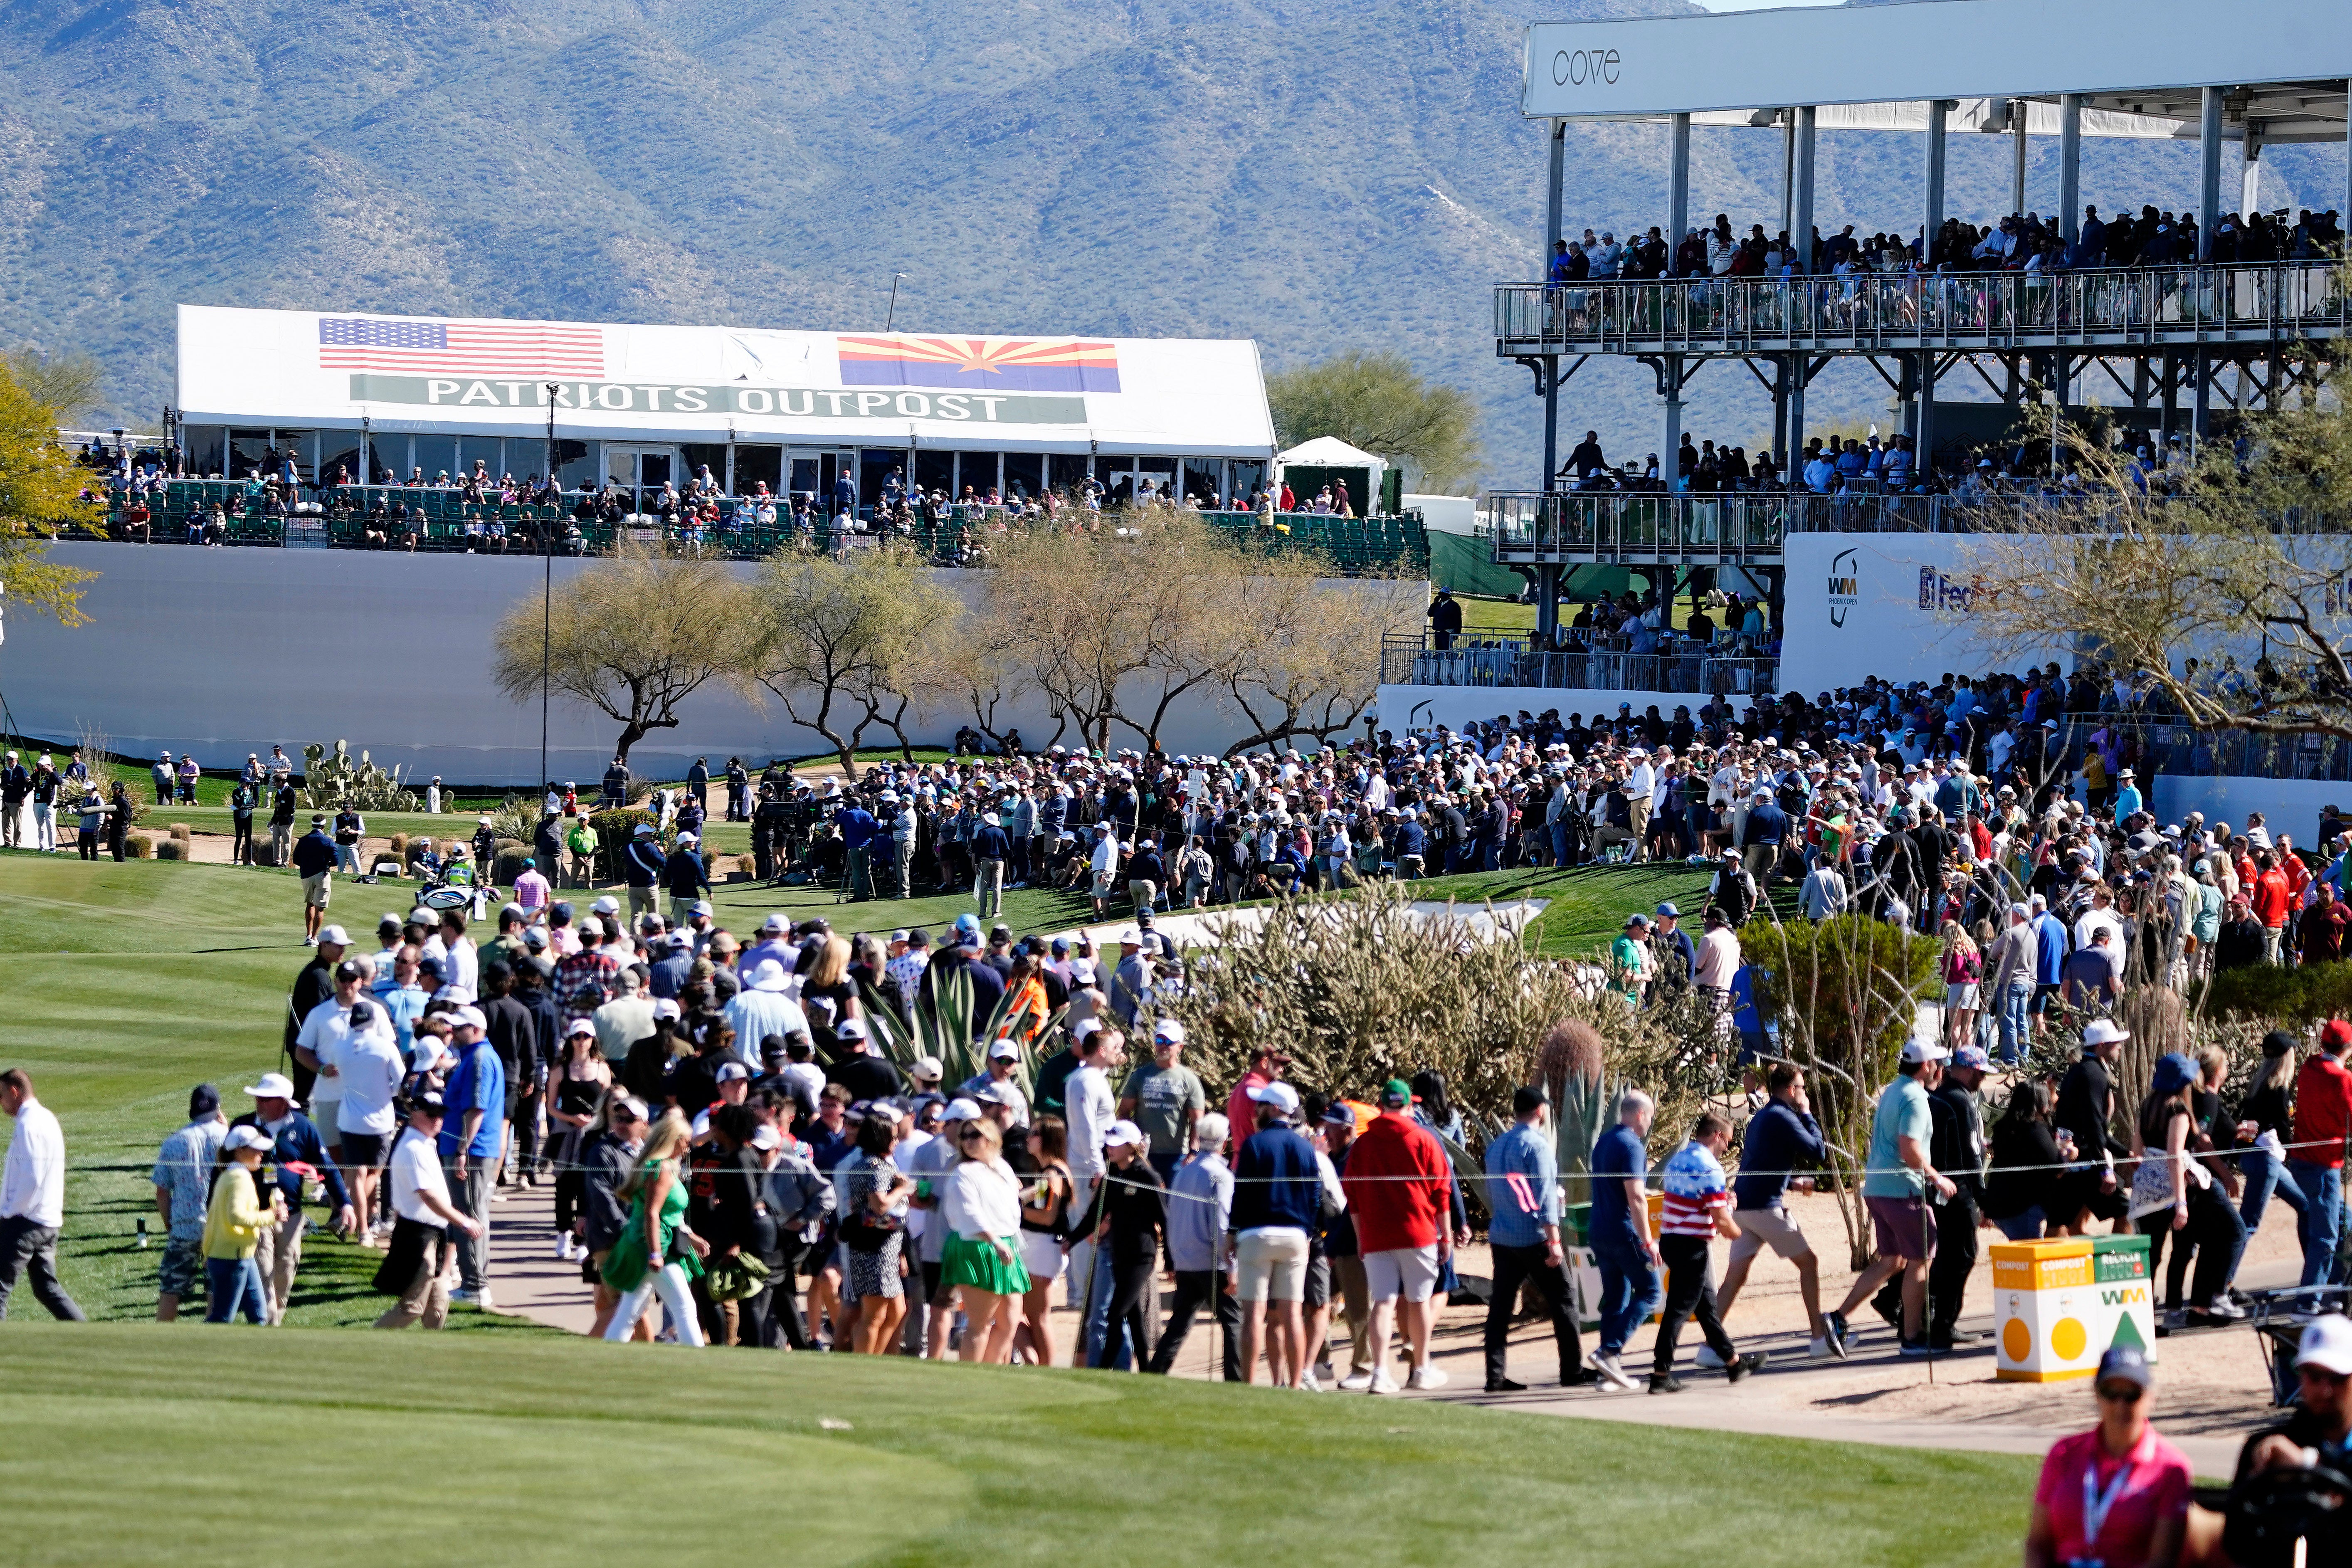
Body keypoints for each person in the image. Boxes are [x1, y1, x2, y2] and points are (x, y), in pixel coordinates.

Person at [1824, 1037, 1954, 1356]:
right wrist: (1937, 1178)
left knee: (1893, 1260)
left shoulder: (1894, 1089)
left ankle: (1837, 1318)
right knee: (1921, 1259)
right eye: (1937, 1062)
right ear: (1926, 1066)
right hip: (1903, 1189)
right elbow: (1909, 1148)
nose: (1940, 1068)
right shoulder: (1915, 1098)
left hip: (1878, 1188)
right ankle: (1912, 1337)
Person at [2023, 1346, 2191, 1568]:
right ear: (2097, 1395)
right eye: (2110, 1393)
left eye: (2132, 1394)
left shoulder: (2170, 1468)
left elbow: (2162, 1561)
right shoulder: (2063, 1454)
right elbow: (2037, 1543)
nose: (2120, 1404)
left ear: (2151, 1397)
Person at [1715, 1062, 1838, 1358]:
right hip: (1765, 1210)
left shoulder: (1763, 1116)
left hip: (1744, 1207)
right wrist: (1807, 1113)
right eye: (1802, 1088)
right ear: (1791, 1090)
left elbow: (1763, 1162)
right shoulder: (1784, 1116)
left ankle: (1710, 1346)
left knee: (1734, 1278)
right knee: (1809, 1263)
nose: (1804, 1093)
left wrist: (1792, 1183)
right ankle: (1819, 1339)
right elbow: (1818, 1151)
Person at [1342, 1077, 1455, 1394]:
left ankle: (1380, 1373)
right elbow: (1441, 1192)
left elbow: (1352, 1196)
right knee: (1419, 1301)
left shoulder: (1363, 1143)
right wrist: (1446, 1237)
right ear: (1408, 1105)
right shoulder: (1424, 1139)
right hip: (1418, 1233)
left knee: (1383, 1302)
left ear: (1381, 1105)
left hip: (1376, 1235)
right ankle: (1421, 1368)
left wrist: (1361, 1237)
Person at [1480, 1084, 1592, 1393]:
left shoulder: (1497, 1146)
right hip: (1534, 1236)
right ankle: (1572, 1370)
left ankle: (1495, 1375)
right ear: (1541, 1111)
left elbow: (1491, 1190)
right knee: (1564, 1298)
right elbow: (1545, 1194)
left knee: (1501, 1306)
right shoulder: (1537, 1146)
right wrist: (1554, 1240)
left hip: (1503, 1235)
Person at [2131, 1051, 2248, 1326]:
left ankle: (2147, 1318)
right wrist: (2181, 1202)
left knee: (2151, 1256)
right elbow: (2175, 1155)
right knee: (2221, 1235)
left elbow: (2136, 1152)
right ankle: (2210, 1298)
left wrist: (2150, 1176)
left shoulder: (2147, 1105)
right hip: (2181, 1187)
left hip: (2147, 1191)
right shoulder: (2178, 1109)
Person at [1651, 1110, 1764, 1393]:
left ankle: (1734, 1363)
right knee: (1678, 1311)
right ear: (1717, 1135)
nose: (1727, 1147)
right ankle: (1661, 1374)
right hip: (1691, 1246)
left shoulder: (1678, 1160)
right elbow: (1722, 1221)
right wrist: (1737, 1226)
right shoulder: (1710, 1168)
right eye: (1727, 1141)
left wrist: (1724, 1204)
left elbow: (1697, 1201)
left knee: (1707, 1308)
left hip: (1671, 1239)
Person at [228, 1071, 352, 1325]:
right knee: (264, 1273)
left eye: (266, 1099)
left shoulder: (304, 1127)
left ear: (284, 1102)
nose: (259, 1103)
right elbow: (222, 1168)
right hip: (257, 1214)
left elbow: (327, 1168)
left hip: (292, 1215)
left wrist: (345, 1204)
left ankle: (273, 1325)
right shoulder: (243, 1127)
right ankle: (268, 1325)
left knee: (285, 1270)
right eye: (258, 1098)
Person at [1227, 1079, 1319, 1388]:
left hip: (1256, 1234)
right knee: (1293, 1314)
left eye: (1261, 1105)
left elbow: (1241, 1194)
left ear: (1276, 1108)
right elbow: (1314, 1197)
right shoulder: (1305, 1147)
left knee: (1254, 1314)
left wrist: (1231, 1231)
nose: (1256, 1110)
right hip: (1295, 1236)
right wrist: (1308, 1232)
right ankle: (1294, 1385)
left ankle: (1250, 1385)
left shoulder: (1254, 1144)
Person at [601, 1107, 708, 1345]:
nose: (688, 1148)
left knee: (630, 1310)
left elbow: (671, 1214)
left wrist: (690, 1236)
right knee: (685, 1306)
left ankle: (609, 1352)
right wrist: (656, 1254)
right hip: (656, 1246)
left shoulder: (662, 1166)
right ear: (674, 1140)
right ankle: (697, 1357)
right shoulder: (661, 1169)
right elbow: (652, 1213)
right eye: (686, 1142)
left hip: (649, 1242)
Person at [1150, 1112, 1239, 1380]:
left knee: (1179, 1323)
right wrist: (1231, 1266)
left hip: (1186, 1260)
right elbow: (1221, 1223)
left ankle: (1155, 1373)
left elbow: (1173, 1218)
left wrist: (1175, 1258)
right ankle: (1236, 1381)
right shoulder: (1221, 1176)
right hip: (1212, 1261)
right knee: (1234, 1321)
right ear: (1224, 1142)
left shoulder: (1183, 1173)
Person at [1587, 1089, 1661, 1391]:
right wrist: (1648, 1240)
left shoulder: (1604, 1141)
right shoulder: (1632, 1146)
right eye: (1650, 1117)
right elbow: (1636, 1197)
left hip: (1599, 1230)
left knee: (1616, 1298)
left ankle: (1608, 1371)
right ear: (1640, 1115)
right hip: (1624, 1232)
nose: (1650, 1123)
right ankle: (1609, 1351)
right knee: (1651, 1292)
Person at [437, 1007, 507, 1307]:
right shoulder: (475, 1056)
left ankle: (476, 1286)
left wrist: (462, 1150)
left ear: (476, 1030)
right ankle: (473, 1282)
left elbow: (476, 1108)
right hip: (469, 1148)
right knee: (468, 1213)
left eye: (460, 1028)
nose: (453, 1032)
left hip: (471, 1150)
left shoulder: (479, 1058)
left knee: (469, 1216)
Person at [2236, 1312, 2352, 1492]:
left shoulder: (2282, 1451)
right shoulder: (2264, 1450)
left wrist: (2307, 1465)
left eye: (2337, 1378)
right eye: (2314, 1377)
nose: (2325, 1391)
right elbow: (2240, 1509)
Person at [1083, 1120, 1165, 1372]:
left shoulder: (1147, 1177)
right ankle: (1147, 1370)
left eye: (1116, 1144)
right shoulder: (1113, 1178)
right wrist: (1070, 1240)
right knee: (1133, 1315)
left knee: (1116, 1313)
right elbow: (1094, 1215)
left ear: (1131, 1147)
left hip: (1142, 1256)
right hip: (1120, 1255)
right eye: (1108, 1144)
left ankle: (1103, 1369)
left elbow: (1164, 1218)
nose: (1110, 1148)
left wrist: (1172, 1261)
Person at [152, 1084, 228, 1320]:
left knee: (170, 1289)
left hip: (185, 1225)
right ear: (218, 1109)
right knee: (215, 1289)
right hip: (219, 1226)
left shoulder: (174, 1142)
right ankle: (211, 1335)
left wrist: (169, 1224)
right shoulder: (229, 1139)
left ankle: (162, 1335)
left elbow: (162, 1192)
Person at [2291, 1018, 2352, 1289]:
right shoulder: (2342, 1077)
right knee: (2325, 1236)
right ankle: (2310, 1299)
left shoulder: (2309, 1066)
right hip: (2324, 1164)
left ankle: (2338, 1282)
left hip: (2301, 1160)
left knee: (2340, 1219)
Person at [202, 1125, 279, 1325]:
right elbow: (236, 1217)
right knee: (223, 1318)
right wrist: (272, 1216)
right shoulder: (239, 1179)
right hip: (231, 1257)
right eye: (256, 1149)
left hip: (241, 1254)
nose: (261, 1154)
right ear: (240, 1151)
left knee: (259, 1316)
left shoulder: (232, 1175)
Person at [1015, 1115, 1076, 1367]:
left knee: (1036, 1316)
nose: (1028, 1139)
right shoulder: (1050, 1171)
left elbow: (1047, 1216)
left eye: (1035, 1134)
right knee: (1021, 1312)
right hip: (1042, 1247)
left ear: (1049, 1138)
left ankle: (1044, 1366)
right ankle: (1035, 1360)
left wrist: (1015, 1209)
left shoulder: (1051, 1173)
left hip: (1041, 1247)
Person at [1984, 1079, 2073, 1242]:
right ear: (2041, 1103)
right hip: (2022, 1208)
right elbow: (2058, 1168)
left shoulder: (2004, 1127)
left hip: (2000, 1204)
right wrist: (2068, 1153)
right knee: (2031, 1253)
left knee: (2025, 1251)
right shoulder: (2035, 1130)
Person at [291, 814, 338, 945]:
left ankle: (308, 935)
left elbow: (296, 860)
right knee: (320, 907)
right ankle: (314, 938)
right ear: (324, 826)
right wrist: (325, 864)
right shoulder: (328, 841)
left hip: (306, 876)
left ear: (313, 825)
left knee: (310, 904)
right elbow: (336, 861)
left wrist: (307, 866)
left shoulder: (303, 840)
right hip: (322, 875)